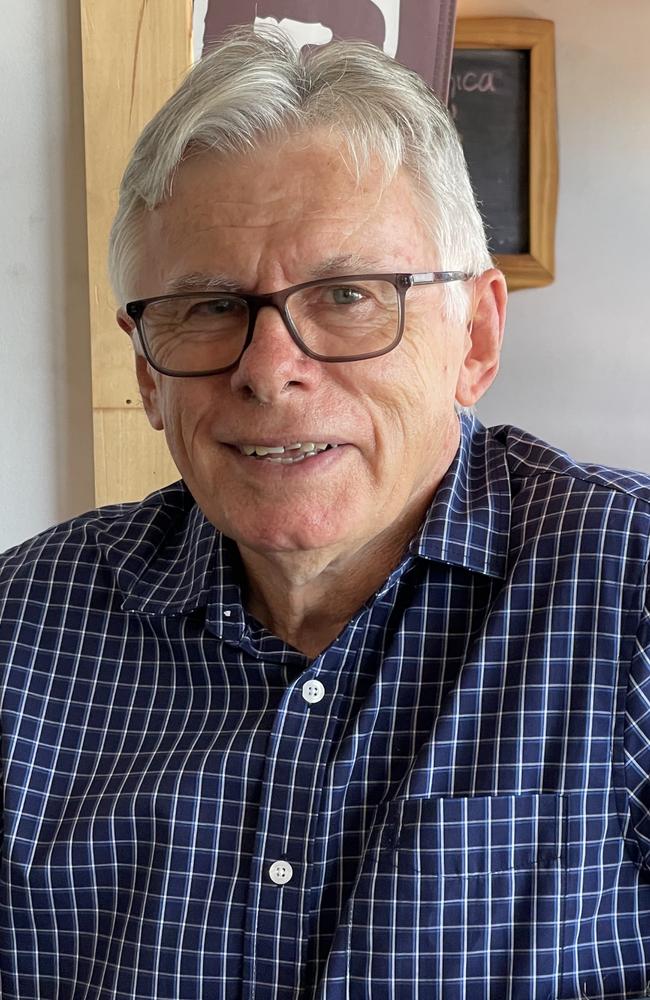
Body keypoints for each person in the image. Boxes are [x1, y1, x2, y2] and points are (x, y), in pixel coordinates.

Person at [1, 26, 649, 1000]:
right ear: (146, 372)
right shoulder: (20, 631)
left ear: (472, 335)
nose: (267, 371)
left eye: (347, 295)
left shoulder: (627, 595)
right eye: (208, 307)